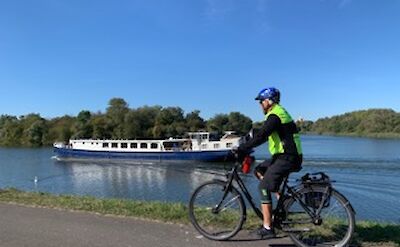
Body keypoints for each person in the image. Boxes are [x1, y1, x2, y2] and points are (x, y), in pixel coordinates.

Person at [236, 87, 303, 239]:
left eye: (261, 102)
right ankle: (282, 199)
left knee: (263, 187)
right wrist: (247, 143)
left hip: (287, 157)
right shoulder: (277, 113)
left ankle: (268, 228)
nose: (260, 105)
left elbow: (262, 136)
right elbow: (262, 133)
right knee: (259, 170)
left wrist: (242, 148)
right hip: (283, 156)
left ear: (268, 101)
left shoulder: (275, 116)